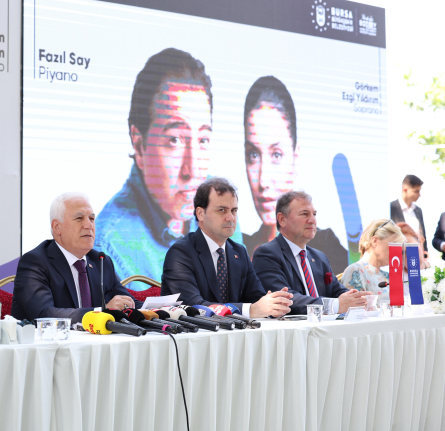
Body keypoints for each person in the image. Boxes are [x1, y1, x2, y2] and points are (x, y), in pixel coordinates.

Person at [93, 48, 242, 284]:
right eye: (175, 140)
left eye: (203, 140)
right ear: (139, 145)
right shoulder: (108, 246)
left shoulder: (219, 202)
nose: (192, 170)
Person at [241, 76, 348, 272]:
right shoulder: (237, 251)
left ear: (295, 157)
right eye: (253, 155)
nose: (263, 181)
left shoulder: (325, 246)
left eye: (276, 154)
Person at [160, 178, 293, 317]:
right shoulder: (181, 253)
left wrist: (273, 304)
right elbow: (194, 306)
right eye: (222, 210)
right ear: (200, 214)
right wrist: (251, 310)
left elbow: (256, 298)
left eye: (234, 210)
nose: (230, 217)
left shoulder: (239, 252)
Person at [12, 192, 142, 323]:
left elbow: (130, 303)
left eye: (91, 219)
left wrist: (154, 309)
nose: (89, 225)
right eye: (79, 218)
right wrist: (102, 312)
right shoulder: (35, 262)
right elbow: (44, 314)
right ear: (57, 227)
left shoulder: (101, 261)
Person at [253, 191, 370, 315]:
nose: (312, 220)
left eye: (314, 214)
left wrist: (356, 299)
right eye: (304, 214)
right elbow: (284, 298)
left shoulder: (319, 257)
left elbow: (336, 290)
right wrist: (334, 305)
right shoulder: (266, 254)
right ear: (282, 219)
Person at [341, 219, 406, 305]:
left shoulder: (387, 276)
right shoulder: (355, 270)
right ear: (375, 241)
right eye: (393, 244)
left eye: (398, 247)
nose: (396, 252)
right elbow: (354, 310)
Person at [391, 174, 428, 256]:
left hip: (417, 255)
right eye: (416, 191)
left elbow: (423, 235)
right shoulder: (391, 208)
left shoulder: (418, 210)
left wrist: (425, 254)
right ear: (405, 189)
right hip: (399, 256)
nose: (419, 195)